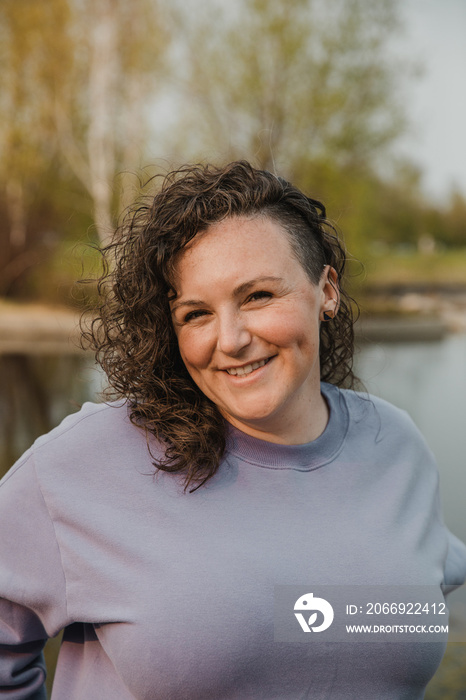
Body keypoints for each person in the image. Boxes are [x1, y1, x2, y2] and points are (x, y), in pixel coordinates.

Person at [0, 160, 465, 699]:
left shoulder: (395, 446)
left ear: (328, 290)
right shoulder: (85, 463)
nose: (232, 339)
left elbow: (382, 602)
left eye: (258, 296)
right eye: (196, 314)